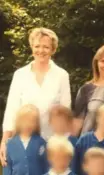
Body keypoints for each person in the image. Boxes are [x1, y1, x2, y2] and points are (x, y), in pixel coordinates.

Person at [1, 27, 70, 165]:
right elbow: (11, 110)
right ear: (32, 47)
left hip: (51, 144)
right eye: (37, 46)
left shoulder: (61, 75)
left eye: (46, 47)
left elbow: (65, 112)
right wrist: (4, 141)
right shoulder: (20, 75)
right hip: (23, 143)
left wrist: (61, 144)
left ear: (53, 49)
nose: (41, 50)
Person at [49, 105, 78, 170]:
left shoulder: (75, 142)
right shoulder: (48, 142)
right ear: (50, 123)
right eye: (55, 121)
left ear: (69, 123)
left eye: (61, 121)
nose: (58, 124)